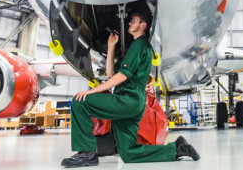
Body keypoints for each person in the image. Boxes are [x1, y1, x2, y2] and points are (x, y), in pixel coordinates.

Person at [61, 12, 200, 167]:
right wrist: (111, 46)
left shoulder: (140, 44)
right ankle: (177, 149)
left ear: (143, 25)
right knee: (128, 153)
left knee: (80, 102)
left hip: (127, 99)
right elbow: (110, 74)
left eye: (134, 20)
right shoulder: (136, 48)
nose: (129, 23)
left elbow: (122, 76)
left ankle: (87, 153)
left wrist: (93, 91)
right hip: (132, 103)